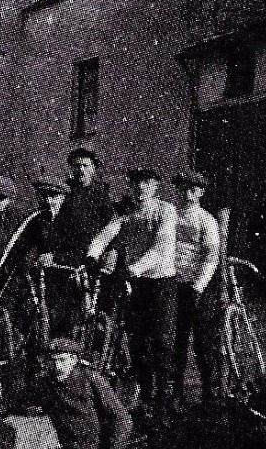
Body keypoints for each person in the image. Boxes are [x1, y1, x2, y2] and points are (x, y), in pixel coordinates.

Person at [87, 167, 179, 412]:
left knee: (162, 338)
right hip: (135, 281)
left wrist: (134, 269)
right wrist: (92, 255)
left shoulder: (166, 211)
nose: (140, 188)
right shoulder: (126, 213)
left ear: (155, 186)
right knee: (136, 338)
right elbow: (106, 234)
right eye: (137, 184)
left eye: (147, 184)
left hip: (161, 281)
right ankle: (143, 393)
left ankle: (163, 396)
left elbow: (161, 248)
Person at [171, 171, 223, 404]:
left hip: (199, 285)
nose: (187, 193)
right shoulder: (170, 215)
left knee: (203, 339)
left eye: (193, 189)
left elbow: (211, 256)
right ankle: (176, 390)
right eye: (183, 189)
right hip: (174, 283)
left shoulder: (206, 220)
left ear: (201, 192)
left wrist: (199, 286)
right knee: (175, 339)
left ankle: (209, 389)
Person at [27, 174, 76, 339]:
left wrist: (54, 257)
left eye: (53, 196)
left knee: (60, 321)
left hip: (65, 279)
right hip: (39, 278)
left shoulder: (73, 221)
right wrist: (30, 260)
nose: (48, 200)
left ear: (63, 197)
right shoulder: (37, 220)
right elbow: (29, 246)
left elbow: (80, 252)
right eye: (44, 196)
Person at [53, 147, 114, 268]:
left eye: (85, 166)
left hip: (89, 254)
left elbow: (109, 226)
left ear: (93, 169)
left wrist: (109, 253)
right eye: (77, 166)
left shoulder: (101, 195)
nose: (81, 170)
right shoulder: (65, 192)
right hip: (64, 254)